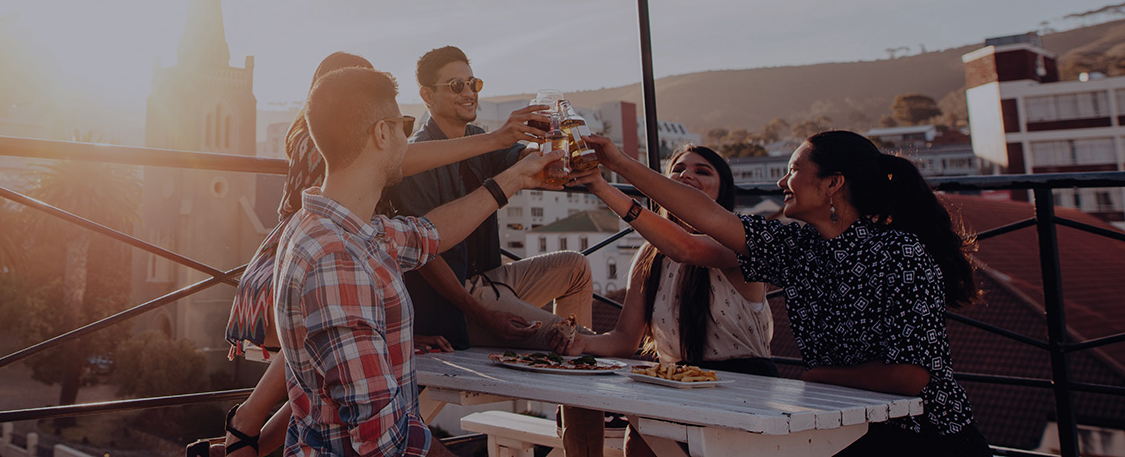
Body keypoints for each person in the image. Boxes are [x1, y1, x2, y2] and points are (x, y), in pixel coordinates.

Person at [206, 52, 550, 457]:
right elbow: (383, 442)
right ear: (382, 135)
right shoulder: (339, 261)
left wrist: (512, 179)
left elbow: (429, 233)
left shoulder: (348, 231)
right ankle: (244, 428)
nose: (412, 137)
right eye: (404, 127)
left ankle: (243, 435)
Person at [582, 130, 990, 457]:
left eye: (793, 170)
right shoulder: (798, 248)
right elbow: (705, 216)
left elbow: (910, 377)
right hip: (841, 426)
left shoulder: (899, 251)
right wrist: (616, 165)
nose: (781, 182)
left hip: (922, 435)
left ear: (833, 183)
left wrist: (817, 377)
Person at [383, 46, 602, 457]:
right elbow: (425, 256)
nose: (469, 91)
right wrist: (482, 314)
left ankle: (574, 387)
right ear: (427, 96)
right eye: (455, 85)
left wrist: (559, 148)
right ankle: (582, 372)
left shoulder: (479, 140)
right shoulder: (417, 157)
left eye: (473, 82)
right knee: (578, 346)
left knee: (576, 267)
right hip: (452, 302)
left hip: (489, 282)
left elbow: (526, 161)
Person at [551, 144, 774, 457]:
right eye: (678, 170)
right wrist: (581, 344)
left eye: (702, 171)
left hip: (742, 390)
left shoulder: (737, 242)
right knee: (638, 440)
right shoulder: (649, 255)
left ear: (722, 191)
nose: (686, 175)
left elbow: (686, 248)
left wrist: (602, 185)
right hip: (677, 385)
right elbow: (625, 340)